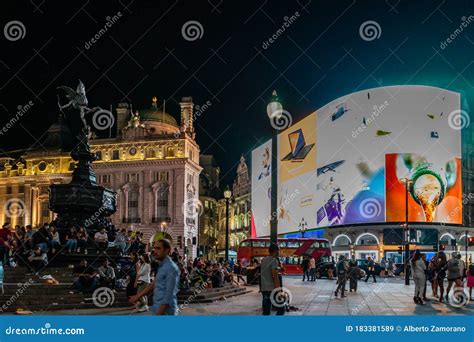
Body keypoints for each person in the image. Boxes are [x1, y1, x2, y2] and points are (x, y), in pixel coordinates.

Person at [129, 239, 180, 315]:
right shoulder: (162, 265)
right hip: (158, 308)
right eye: (154, 248)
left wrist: (159, 312)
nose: (155, 251)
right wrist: (137, 296)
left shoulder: (171, 267)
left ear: (167, 250)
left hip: (166, 311)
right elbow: (154, 284)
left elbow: (169, 295)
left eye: (158, 248)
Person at [260, 243, 285, 315]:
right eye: (279, 250)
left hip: (264, 288)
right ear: (276, 251)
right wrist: (279, 290)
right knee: (281, 307)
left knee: (266, 311)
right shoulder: (274, 260)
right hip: (272, 289)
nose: (279, 252)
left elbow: (266, 271)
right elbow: (274, 276)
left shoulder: (263, 260)